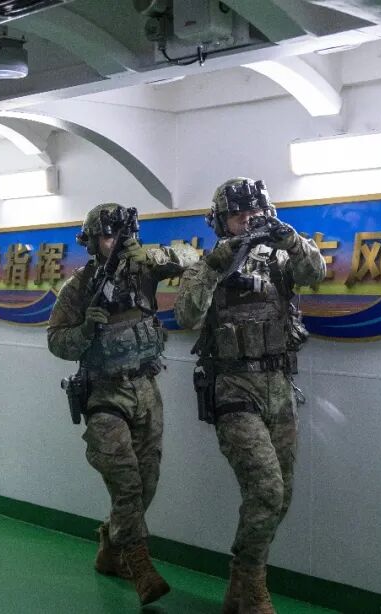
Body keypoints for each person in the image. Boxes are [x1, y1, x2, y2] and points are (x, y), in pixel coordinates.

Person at [175, 178, 325, 614]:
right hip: (233, 389)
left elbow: (315, 273)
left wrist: (290, 239)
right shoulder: (208, 263)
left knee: (283, 494)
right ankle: (254, 586)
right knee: (266, 489)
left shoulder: (279, 257)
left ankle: (240, 585)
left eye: (254, 213)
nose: (247, 221)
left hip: (278, 385)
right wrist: (215, 266)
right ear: (221, 222)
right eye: (238, 216)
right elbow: (186, 316)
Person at [47, 202, 198, 606]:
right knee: (127, 483)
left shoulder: (145, 269)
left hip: (146, 388)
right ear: (92, 241)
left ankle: (110, 548)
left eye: (119, 235)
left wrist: (150, 256)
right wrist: (85, 330)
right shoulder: (80, 287)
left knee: (147, 482)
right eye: (106, 236)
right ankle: (140, 565)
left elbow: (192, 257)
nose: (113, 243)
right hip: (104, 395)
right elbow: (56, 341)